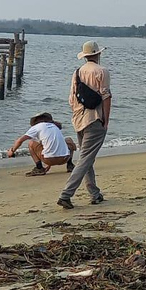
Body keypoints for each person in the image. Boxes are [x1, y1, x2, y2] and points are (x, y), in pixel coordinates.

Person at [57, 41, 112, 209]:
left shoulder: (78, 73)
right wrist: (106, 121)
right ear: (98, 54)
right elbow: (106, 97)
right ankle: (66, 194)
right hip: (95, 119)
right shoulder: (102, 72)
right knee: (85, 159)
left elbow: (72, 99)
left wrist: (77, 115)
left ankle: (94, 193)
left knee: (86, 158)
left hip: (78, 119)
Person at [7, 112, 77, 176]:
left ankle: (39, 167)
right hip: (65, 158)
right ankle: (70, 165)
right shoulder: (54, 126)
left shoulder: (37, 127)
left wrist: (12, 151)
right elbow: (53, 144)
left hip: (49, 159)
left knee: (31, 143)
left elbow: (20, 140)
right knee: (68, 139)